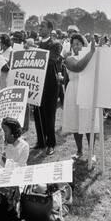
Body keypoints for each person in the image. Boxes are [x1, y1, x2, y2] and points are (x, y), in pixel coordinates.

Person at [62, 34, 100, 159]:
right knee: (76, 121)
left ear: (84, 45)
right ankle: (79, 151)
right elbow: (78, 67)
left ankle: (91, 152)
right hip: (74, 91)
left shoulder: (91, 57)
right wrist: (92, 52)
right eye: (73, 44)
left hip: (87, 91)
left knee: (89, 121)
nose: (75, 46)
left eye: (78, 44)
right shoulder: (69, 59)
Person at [33, 20, 62, 156]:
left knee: (49, 114)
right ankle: (41, 141)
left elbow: (51, 59)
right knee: (38, 113)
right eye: (39, 27)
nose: (40, 29)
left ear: (50, 29)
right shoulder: (37, 44)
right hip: (37, 83)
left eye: (42, 27)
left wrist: (34, 50)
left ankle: (51, 143)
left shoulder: (55, 44)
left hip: (50, 83)